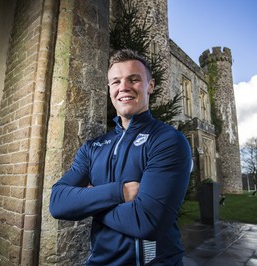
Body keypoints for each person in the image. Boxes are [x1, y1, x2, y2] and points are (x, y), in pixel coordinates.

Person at [49, 49, 192, 265]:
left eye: (133, 79)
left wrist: (88, 202)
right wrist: (120, 192)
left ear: (150, 86)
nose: (123, 87)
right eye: (116, 82)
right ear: (109, 89)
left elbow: (147, 221)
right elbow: (58, 203)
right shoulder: (92, 147)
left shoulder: (167, 140)